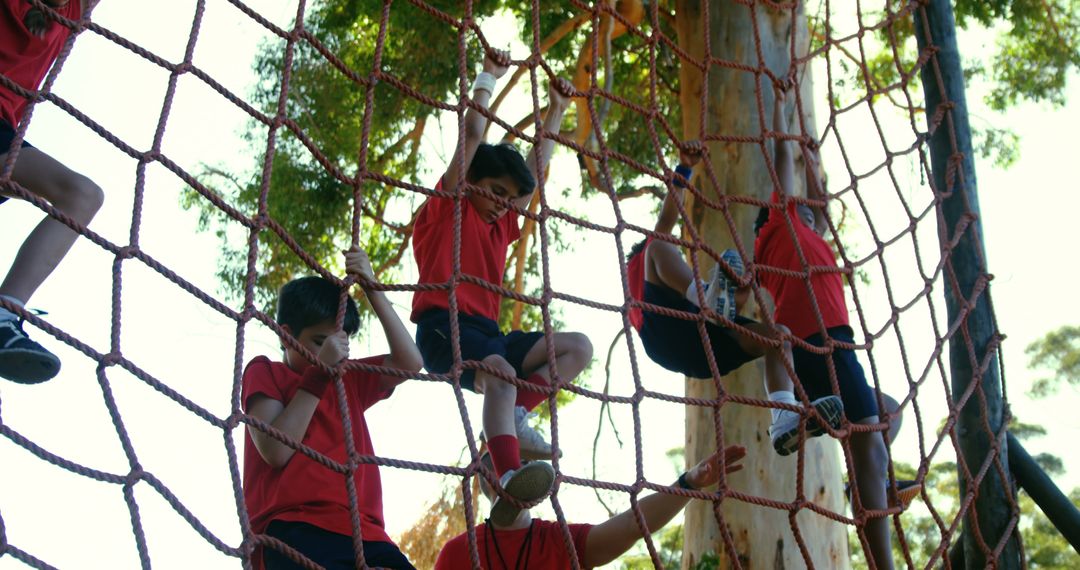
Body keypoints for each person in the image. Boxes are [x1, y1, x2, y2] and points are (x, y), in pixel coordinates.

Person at [410, 48, 592, 526]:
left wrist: (555, 108)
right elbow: (472, 135)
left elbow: (536, 174)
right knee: (497, 369)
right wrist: (488, 78)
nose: (502, 204)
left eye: (509, 199)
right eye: (495, 191)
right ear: (472, 181)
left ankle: (511, 419)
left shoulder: (500, 224)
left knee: (575, 348)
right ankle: (509, 474)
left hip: (488, 334)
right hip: (441, 328)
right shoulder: (449, 206)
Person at [753, 87, 900, 568]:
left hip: (837, 342)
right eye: (803, 210)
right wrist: (784, 109)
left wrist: (815, 160)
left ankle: (858, 474)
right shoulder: (778, 224)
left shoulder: (814, 236)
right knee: (870, 447)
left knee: (888, 413)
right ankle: (881, 551)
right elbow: (781, 159)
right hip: (814, 342)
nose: (812, 212)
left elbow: (821, 198)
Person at [625, 141, 843, 455]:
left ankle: (783, 415)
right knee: (660, 242)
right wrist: (684, 167)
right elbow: (667, 219)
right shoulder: (646, 259)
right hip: (666, 331)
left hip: (701, 347)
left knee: (778, 338)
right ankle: (707, 297)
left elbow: (732, 311)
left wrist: (742, 285)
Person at [241, 248, 423, 570]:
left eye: (341, 343)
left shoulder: (347, 378)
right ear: (286, 334)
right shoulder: (266, 371)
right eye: (319, 341)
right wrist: (319, 374)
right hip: (295, 529)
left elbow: (410, 362)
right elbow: (276, 450)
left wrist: (371, 287)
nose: (333, 352)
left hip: (365, 534)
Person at [1, 0, 104, 384]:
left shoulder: (71, 11)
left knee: (82, 197)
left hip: (5, 142)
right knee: (81, 194)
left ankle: (5, 314)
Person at [434, 445, 747, 569]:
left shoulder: (558, 540)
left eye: (521, 463)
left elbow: (631, 526)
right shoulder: (458, 553)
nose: (508, 470)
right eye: (496, 468)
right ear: (482, 484)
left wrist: (689, 483)